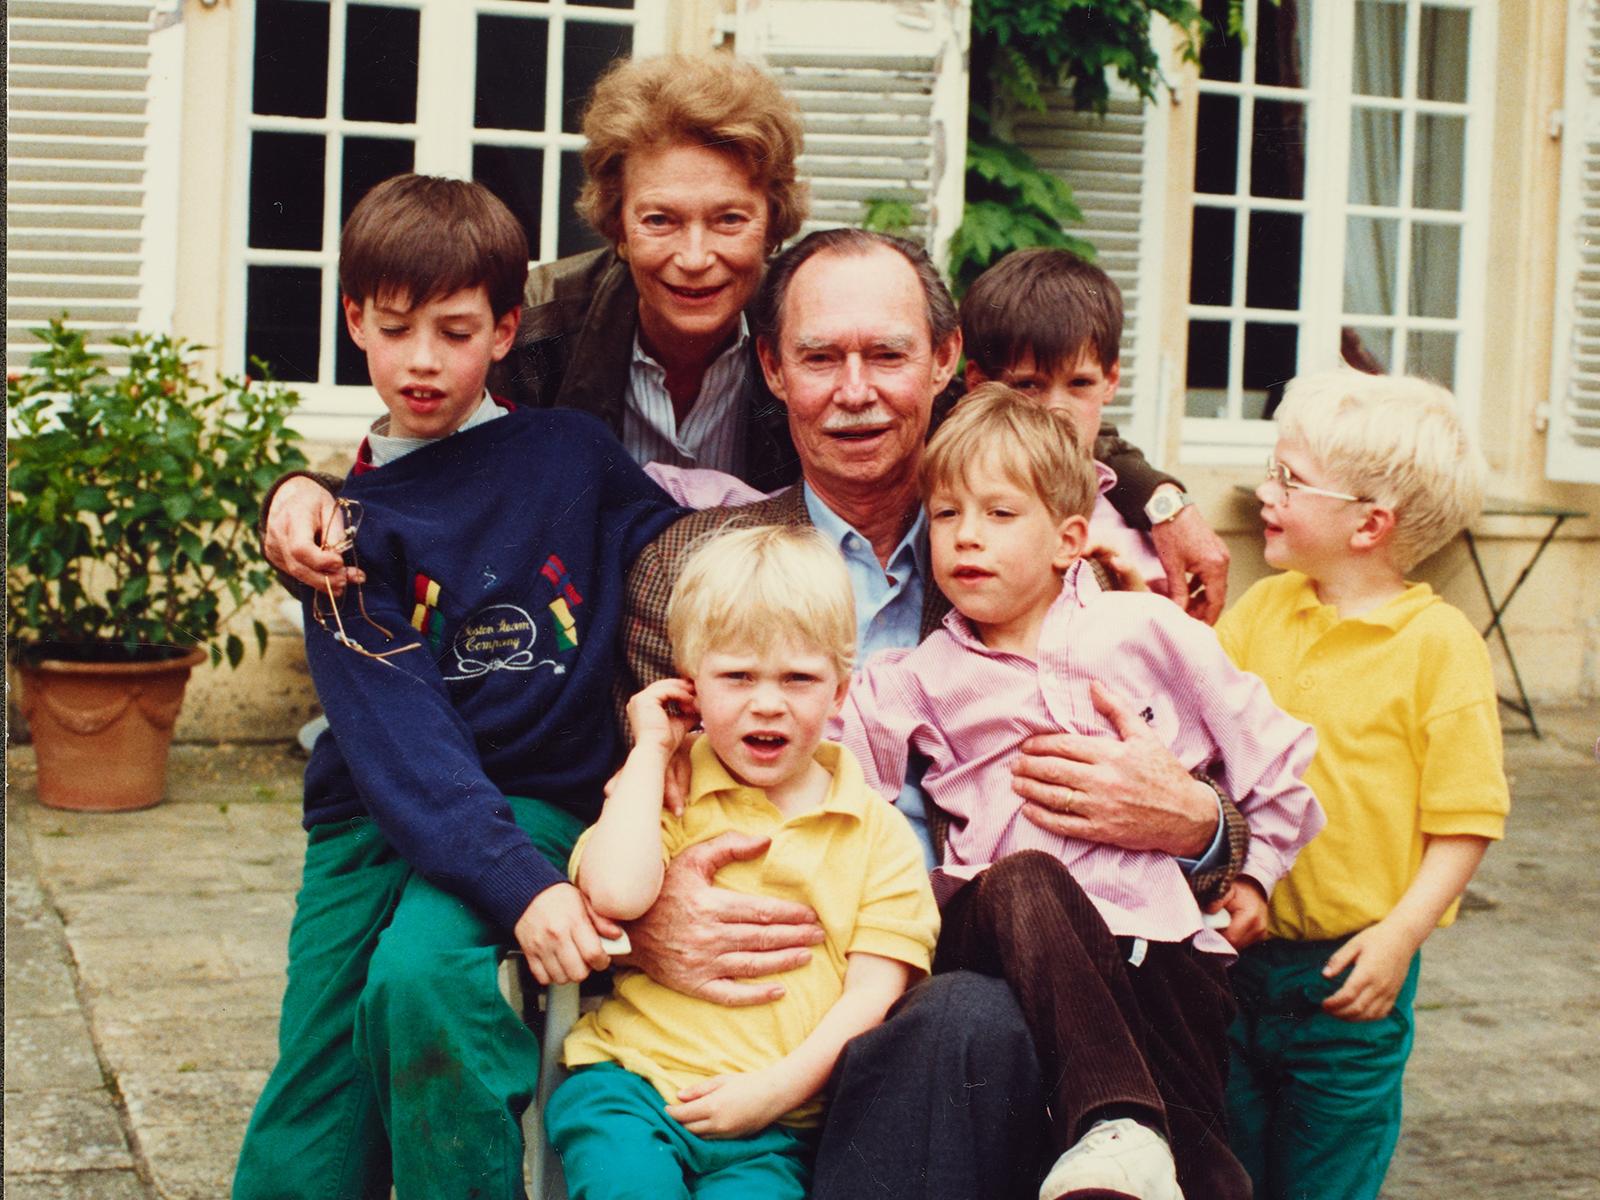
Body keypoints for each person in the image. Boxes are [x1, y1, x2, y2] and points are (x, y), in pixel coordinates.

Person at [618, 227, 1253, 1200]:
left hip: (1039, 971)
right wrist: (644, 914)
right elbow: (636, 796)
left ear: (948, 362)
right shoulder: (698, 572)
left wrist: (1201, 827)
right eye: (823, 357)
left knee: (982, 1013)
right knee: (968, 1019)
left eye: (887, 354)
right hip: (793, 967)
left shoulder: (1053, 562)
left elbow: (1217, 799)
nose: (856, 389)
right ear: (773, 370)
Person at [259, 55, 1216, 603]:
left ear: (772, 218)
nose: (694, 256)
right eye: (660, 220)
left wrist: (1161, 502)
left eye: (729, 220)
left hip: (773, 645)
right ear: (616, 217)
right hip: (582, 643)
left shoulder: (814, 327)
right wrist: (308, 486)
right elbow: (431, 414)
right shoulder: (538, 322)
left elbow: (1005, 396)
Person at [231, 175, 683, 1200]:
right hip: (371, 811)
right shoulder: (338, 531)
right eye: (395, 329)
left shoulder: (569, 454)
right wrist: (522, 890)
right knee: (317, 1076)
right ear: (354, 320)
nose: (424, 360)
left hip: (526, 797)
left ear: (506, 327)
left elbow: (687, 554)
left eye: (456, 329)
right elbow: (398, 731)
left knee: (427, 981)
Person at [832, 386, 1323, 1199]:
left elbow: (1275, 755)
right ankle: (1111, 1124)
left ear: (1068, 540)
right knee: (1026, 876)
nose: (966, 539)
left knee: (1206, 1173)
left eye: (998, 514)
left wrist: (1255, 871)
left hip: (1158, 949)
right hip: (1000, 937)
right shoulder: (919, 676)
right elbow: (841, 770)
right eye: (947, 516)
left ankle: (1142, 1148)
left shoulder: (1150, 630)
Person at [547, 525, 939, 1199]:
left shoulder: (877, 834)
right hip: (631, 1088)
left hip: (773, 1124)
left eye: (798, 678)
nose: (767, 702)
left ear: (841, 692)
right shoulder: (668, 791)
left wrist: (770, 1094)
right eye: (737, 676)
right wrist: (648, 750)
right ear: (691, 684)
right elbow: (613, 894)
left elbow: (872, 994)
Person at [1217, 370, 1511, 1200]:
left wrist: (1400, 938)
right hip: (1237, 961)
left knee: (1328, 1176)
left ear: (1369, 524)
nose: (1264, 492)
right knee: (1227, 1168)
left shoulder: (1439, 647)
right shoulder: (1262, 612)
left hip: (1350, 976)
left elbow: (1467, 821)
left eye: (1289, 479)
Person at [960, 247, 1231, 621]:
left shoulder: (1147, 534)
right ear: (977, 383)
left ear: (1111, 380)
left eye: (1080, 383)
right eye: (1028, 385)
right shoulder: (956, 510)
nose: (1057, 409)